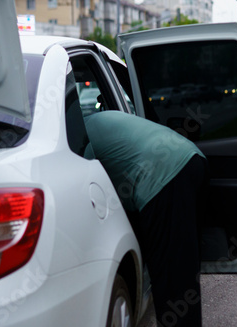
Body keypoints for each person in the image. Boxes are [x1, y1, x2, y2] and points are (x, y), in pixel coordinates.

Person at [84, 110, 208, 327]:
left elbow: (84, 188)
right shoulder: (95, 122)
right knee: (183, 270)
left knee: (172, 279)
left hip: (164, 177)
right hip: (191, 159)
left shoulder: (79, 138)